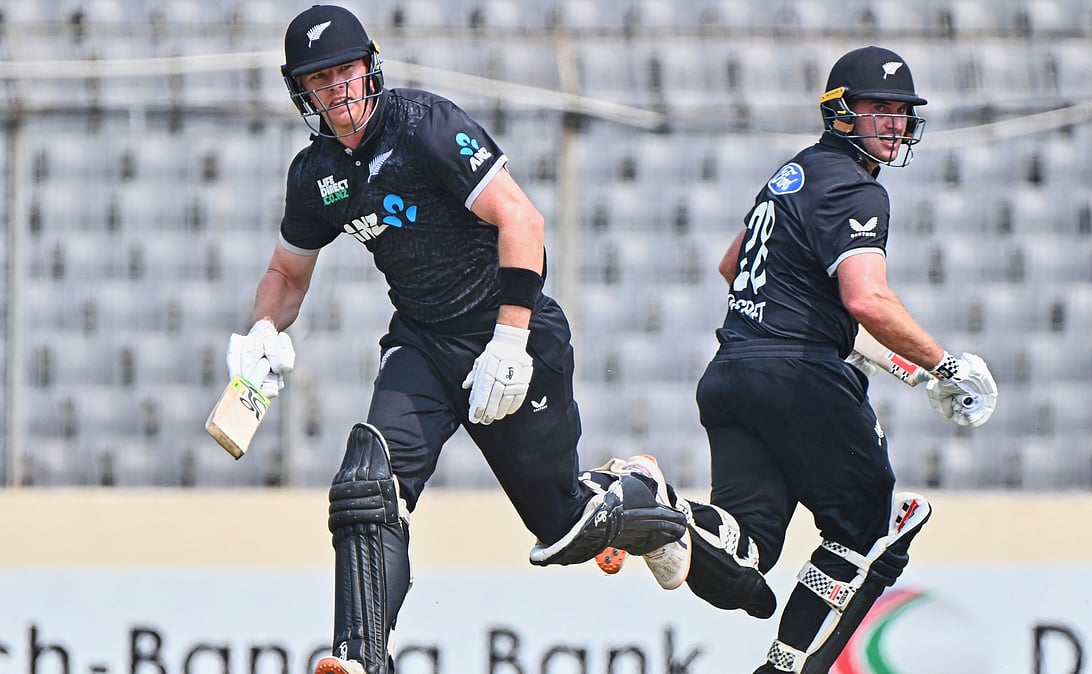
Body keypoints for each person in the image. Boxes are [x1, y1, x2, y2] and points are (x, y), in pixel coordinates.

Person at [223, 7, 687, 674]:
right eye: (318, 79)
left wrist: (510, 339)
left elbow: (522, 221)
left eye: (345, 71)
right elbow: (285, 274)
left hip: (510, 331)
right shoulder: (315, 174)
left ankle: (643, 494)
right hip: (421, 341)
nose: (336, 89)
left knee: (563, 530)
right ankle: (360, 658)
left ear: (370, 68)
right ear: (301, 91)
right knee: (367, 485)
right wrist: (262, 331)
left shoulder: (425, 126)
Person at [599, 46, 998, 673]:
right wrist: (947, 366)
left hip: (732, 372)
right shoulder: (858, 189)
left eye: (901, 110)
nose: (894, 122)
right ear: (840, 111)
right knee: (868, 528)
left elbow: (732, 265)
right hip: (795, 376)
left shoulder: (795, 172)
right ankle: (787, 668)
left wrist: (843, 336)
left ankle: (661, 506)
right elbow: (867, 298)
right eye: (878, 107)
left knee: (745, 563)